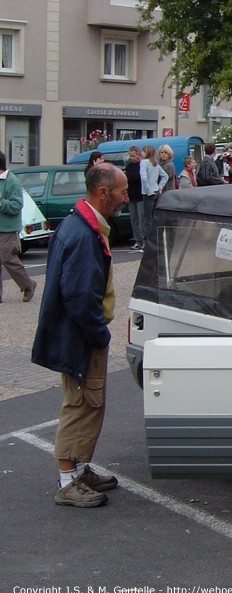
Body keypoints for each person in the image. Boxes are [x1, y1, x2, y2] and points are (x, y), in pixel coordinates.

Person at [32, 163, 129, 508]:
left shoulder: (78, 223)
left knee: (87, 402)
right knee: (81, 403)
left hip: (75, 334)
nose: (126, 198)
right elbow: (78, 296)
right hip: (79, 337)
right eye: (122, 191)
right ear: (103, 193)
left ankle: (78, 468)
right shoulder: (85, 234)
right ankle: (68, 480)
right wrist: (99, 334)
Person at [0, 150, 37, 303]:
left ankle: (28, 284)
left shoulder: (11, 181)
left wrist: (0, 203)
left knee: (7, 258)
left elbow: (16, 205)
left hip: (7, 228)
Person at [139, 145, 168, 240]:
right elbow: (165, 176)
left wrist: (148, 190)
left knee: (147, 218)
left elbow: (143, 177)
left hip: (149, 193)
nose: (141, 154)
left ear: (147, 153)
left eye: (143, 152)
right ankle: (157, 237)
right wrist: (160, 187)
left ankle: (149, 239)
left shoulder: (144, 162)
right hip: (156, 191)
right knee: (155, 216)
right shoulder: (155, 163)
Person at [125, 145, 145, 251]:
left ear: (139, 154)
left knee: (142, 219)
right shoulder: (129, 166)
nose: (132, 158)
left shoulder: (142, 165)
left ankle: (144, 240)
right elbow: (127, 178)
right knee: (134, 219)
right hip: (131, 195)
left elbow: (136, 177)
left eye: (133, 156)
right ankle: (137, 240)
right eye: (130, 156)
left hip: (140, 195)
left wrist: (128, 176)